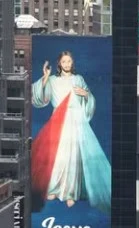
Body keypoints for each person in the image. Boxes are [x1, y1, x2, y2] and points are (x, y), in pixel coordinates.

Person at [31, 50, 112, 212]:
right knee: (58, 155)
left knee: (73, 156)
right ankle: (55, 189)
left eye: (69, 61)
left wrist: (87, 95)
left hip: (75, 120)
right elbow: (41, 98)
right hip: (58, 120)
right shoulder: (53, 80)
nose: (67, 64)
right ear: (59, 64)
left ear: (72, 63)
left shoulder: (78, 79)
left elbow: (89, 99)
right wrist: (46, 76)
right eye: (64, 61)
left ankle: (70, 193)